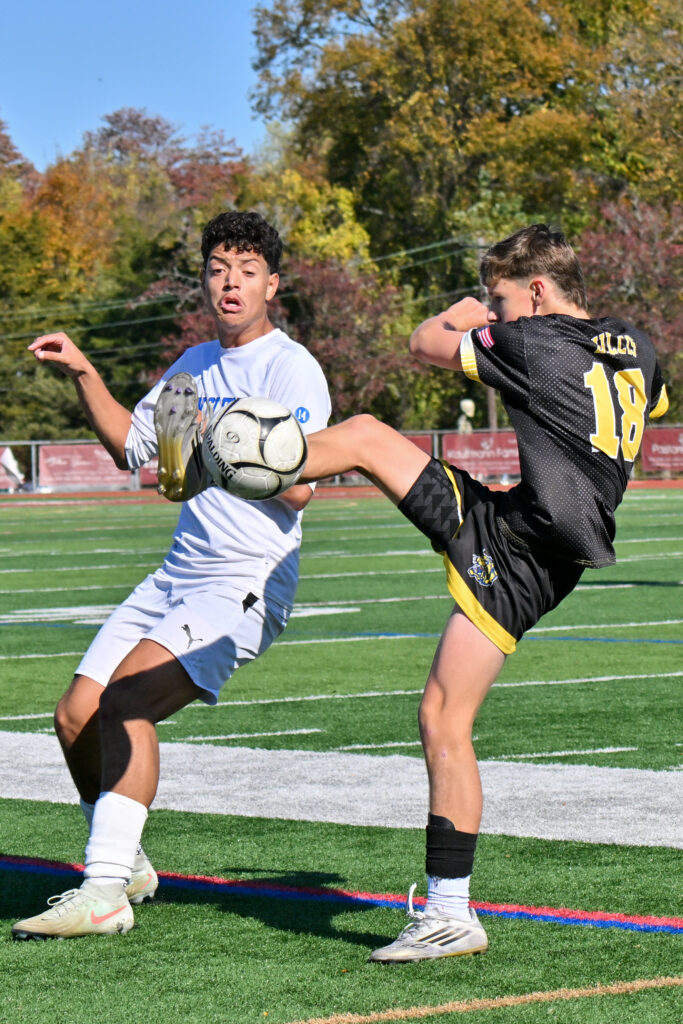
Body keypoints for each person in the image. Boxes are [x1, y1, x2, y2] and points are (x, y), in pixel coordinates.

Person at [295, 224, 668, 961]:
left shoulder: (534, 339)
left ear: (537, 290)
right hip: (513, 523)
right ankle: (238, 463)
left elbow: (423, 342)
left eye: (501, 298)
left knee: (443, 717)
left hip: (525, 553)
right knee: (365, 436)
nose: (494, 312)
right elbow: (648, 405)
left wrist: (462, 314)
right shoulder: (634, 344)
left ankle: (449, 912)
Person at [12, 211, 331, 940]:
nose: (230, 283)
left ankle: (102, 892)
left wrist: (224, 447)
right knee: (75, 715)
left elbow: (301, 488)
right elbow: (136, 450)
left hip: (245, 580)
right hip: (177, 574)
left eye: (247, 271)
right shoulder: (192, 365)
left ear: (272, 285)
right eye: (218, 269)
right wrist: (85, 371)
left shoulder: (291, 367)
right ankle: (126, 865)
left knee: (127, 701)